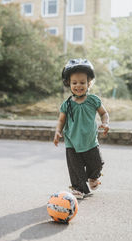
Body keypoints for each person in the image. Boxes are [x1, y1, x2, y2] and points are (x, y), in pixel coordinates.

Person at [53, 59, 109, 199]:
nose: (78, 85)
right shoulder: (66, 104)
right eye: (74, 83)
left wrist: (105, 123)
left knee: (97, 163)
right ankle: (78, 189)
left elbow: (104, 113)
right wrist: (58, 131)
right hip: (72, 142)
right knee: (75, 169)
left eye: (82, 82)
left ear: (89, 83)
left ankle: (92, 177)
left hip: (90, 141)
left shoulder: (93, 100)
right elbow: (61, 120)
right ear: (69, 84)